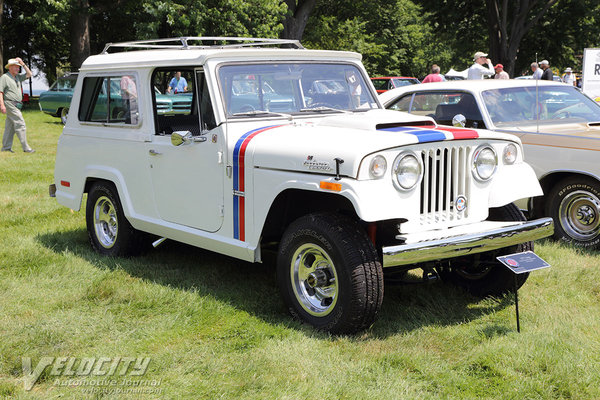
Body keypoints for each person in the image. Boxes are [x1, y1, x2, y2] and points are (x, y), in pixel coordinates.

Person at [0, 58, 34, 153]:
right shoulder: (4, 77)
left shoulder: (18, 77)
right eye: (16, 67)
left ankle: (6, 148)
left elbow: (29, 74)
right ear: (10, 67)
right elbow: (0, 92)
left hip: (17, 105)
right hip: (9, 103)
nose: (18, 69)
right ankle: (26, 148)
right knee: (20, 123)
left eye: (18, 67)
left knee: (10, 127)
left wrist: (23, 64)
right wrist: (2, 105)